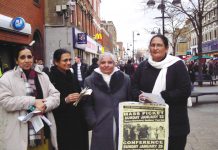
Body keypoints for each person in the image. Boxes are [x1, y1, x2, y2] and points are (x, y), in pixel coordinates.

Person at [132, 35, 191, 150]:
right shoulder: (143, 66)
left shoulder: (177, 65)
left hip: (174, 124)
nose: (155, 48)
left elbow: (185, 90)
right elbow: (133, 86)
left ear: (166, 48)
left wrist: (161, 98)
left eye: (159, 45)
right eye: (153, 45)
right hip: (149, 124)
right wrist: (140, 96)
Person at [0, 46, 60, 150]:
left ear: (33, 58)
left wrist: (45, 105)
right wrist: (33, 101)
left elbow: (55, 95)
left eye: (29, 57)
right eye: (22, 57)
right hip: (18, 132)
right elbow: (6, 102)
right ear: (16, 60)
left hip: (42, 132)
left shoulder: (42, 76)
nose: (27, 60)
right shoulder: (7, 78)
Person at [83, 52, 132, 150]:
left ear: (115, 64)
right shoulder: (89, 80)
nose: (106, 65)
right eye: (103, 62)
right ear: (98, 64)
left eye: (110, 62)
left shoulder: (125, 79)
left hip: (122, 123)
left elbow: (130, 99)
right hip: (101, 123)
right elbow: (87, 104)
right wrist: (93, 122)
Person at [49, 49, 88, 150]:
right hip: (62, 123)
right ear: (56, 62)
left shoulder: (71, 74)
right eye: (65, 60)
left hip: (77, 120)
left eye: (70, 60)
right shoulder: (51, 78)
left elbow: (78, 92)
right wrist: (65, 100)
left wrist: (82, 96)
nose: (68, 63)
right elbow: (48, 102)